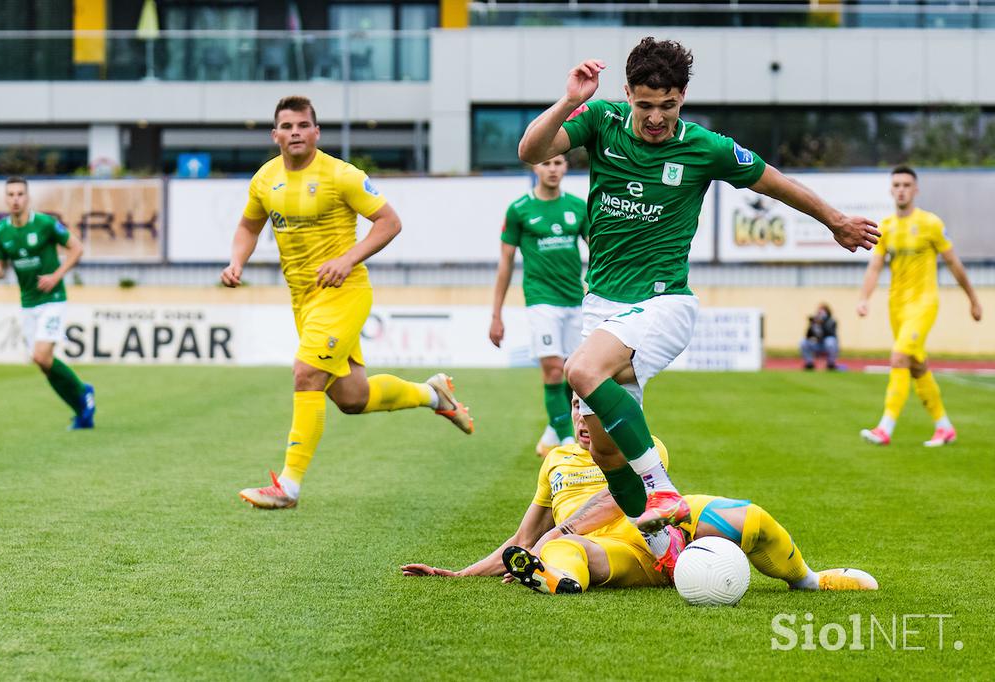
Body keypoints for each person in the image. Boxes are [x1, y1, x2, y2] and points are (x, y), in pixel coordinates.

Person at [516, 38, 881, 533]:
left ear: (682, 97)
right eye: (644, 105)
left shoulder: (705, 147)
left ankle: (661, 488)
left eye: (666, 106)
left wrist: (835, 220)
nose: (655, 118)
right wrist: (568, 101)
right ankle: (662, 542)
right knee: (603, 451)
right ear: (627, 94)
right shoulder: (600, 120)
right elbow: (530, 150)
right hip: (602, 307)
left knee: (579, 369)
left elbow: (773, 181)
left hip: (664, 303)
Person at [222, 95, 473, 509]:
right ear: (275, 135)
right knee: (352, 399)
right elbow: (248, 227)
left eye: (303, 125)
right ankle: (434, 395)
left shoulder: (342, 175)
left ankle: (289, 486)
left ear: (316, 132)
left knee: (305, 374)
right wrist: (236, 262)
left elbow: (390, 222)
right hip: (303, 300)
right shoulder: (265, 179)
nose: (295, 132)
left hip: (344, 293)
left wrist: (347, 258)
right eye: (287, 126)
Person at [401, 397, 878, 595]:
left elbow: (620, 498)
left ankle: (811, 581)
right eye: (577, 410)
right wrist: (460, 574)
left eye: (594, 412)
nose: (586, 423)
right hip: (617, 551)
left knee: (749, 517)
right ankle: (554, 579)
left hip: (663, 528)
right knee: (570, 551)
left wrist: (559, 530)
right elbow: (524, 537)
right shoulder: (555, 462)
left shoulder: (644, 449)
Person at [857, 165, 983, 447]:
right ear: (891, 190)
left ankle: (885, 427)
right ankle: (944, 427)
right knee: (916, 366)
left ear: (915, 190)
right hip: (897, 307)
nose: (901, 189)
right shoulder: (886, 227)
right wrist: (864, 299)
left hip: (924, 304)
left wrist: (973, 300)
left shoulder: (931, 224)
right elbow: (875, 267)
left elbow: (954, 264)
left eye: (906, 185)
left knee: (899, 356)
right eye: (897, 185)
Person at [489, 154, 589, 457]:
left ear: (565, 167)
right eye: (547, 163)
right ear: (536, 167)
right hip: (540, 300)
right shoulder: (519, 210)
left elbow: (597, 251)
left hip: (575, 299)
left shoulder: (577, 207)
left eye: (558, 163)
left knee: (576, 375)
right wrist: (497, 314)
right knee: (554, 370)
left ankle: (550, 435)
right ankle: (567, 444)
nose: (553, 169)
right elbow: (505, 263)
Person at [0, 176, 96, 430]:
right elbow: (2, 263)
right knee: (43, 364)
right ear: (6, 199)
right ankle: (82, 408)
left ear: (28, 198)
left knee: (41, 355)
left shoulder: (46, 224)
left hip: (53, 299)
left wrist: (57, 276)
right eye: (11, 195)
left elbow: (77, 248)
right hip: (28, 302)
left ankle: (83, 394)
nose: (15, 199)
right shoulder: (1, 231)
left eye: (20, 194)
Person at [801, 303, 839, 370]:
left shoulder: (831, 321)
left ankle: (831, 364)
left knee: (830, 341)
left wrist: (822, 323)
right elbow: (807, 336)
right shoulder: (815, 321)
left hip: (826, 345)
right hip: (818, 344)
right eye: (819, 311)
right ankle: (809, 363)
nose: (820, 313)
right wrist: (812, 325)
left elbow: (830, 333)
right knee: (804, 342)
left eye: (823, 311)